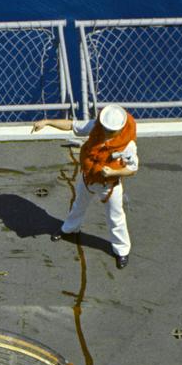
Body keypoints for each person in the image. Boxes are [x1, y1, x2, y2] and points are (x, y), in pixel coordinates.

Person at [32, 104, 138, 269]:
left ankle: (121, 250)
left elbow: (132, 168)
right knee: (78, 205)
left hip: (109, 186)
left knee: (115, 217)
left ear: (120, 129)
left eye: (110, 131)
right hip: (88, 178)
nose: (106, 133)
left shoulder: (128, 146)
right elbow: (72, 125)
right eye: (105, 128)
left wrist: (112, 173)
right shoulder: (95, 128)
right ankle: (69, 229)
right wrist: (47, 122)